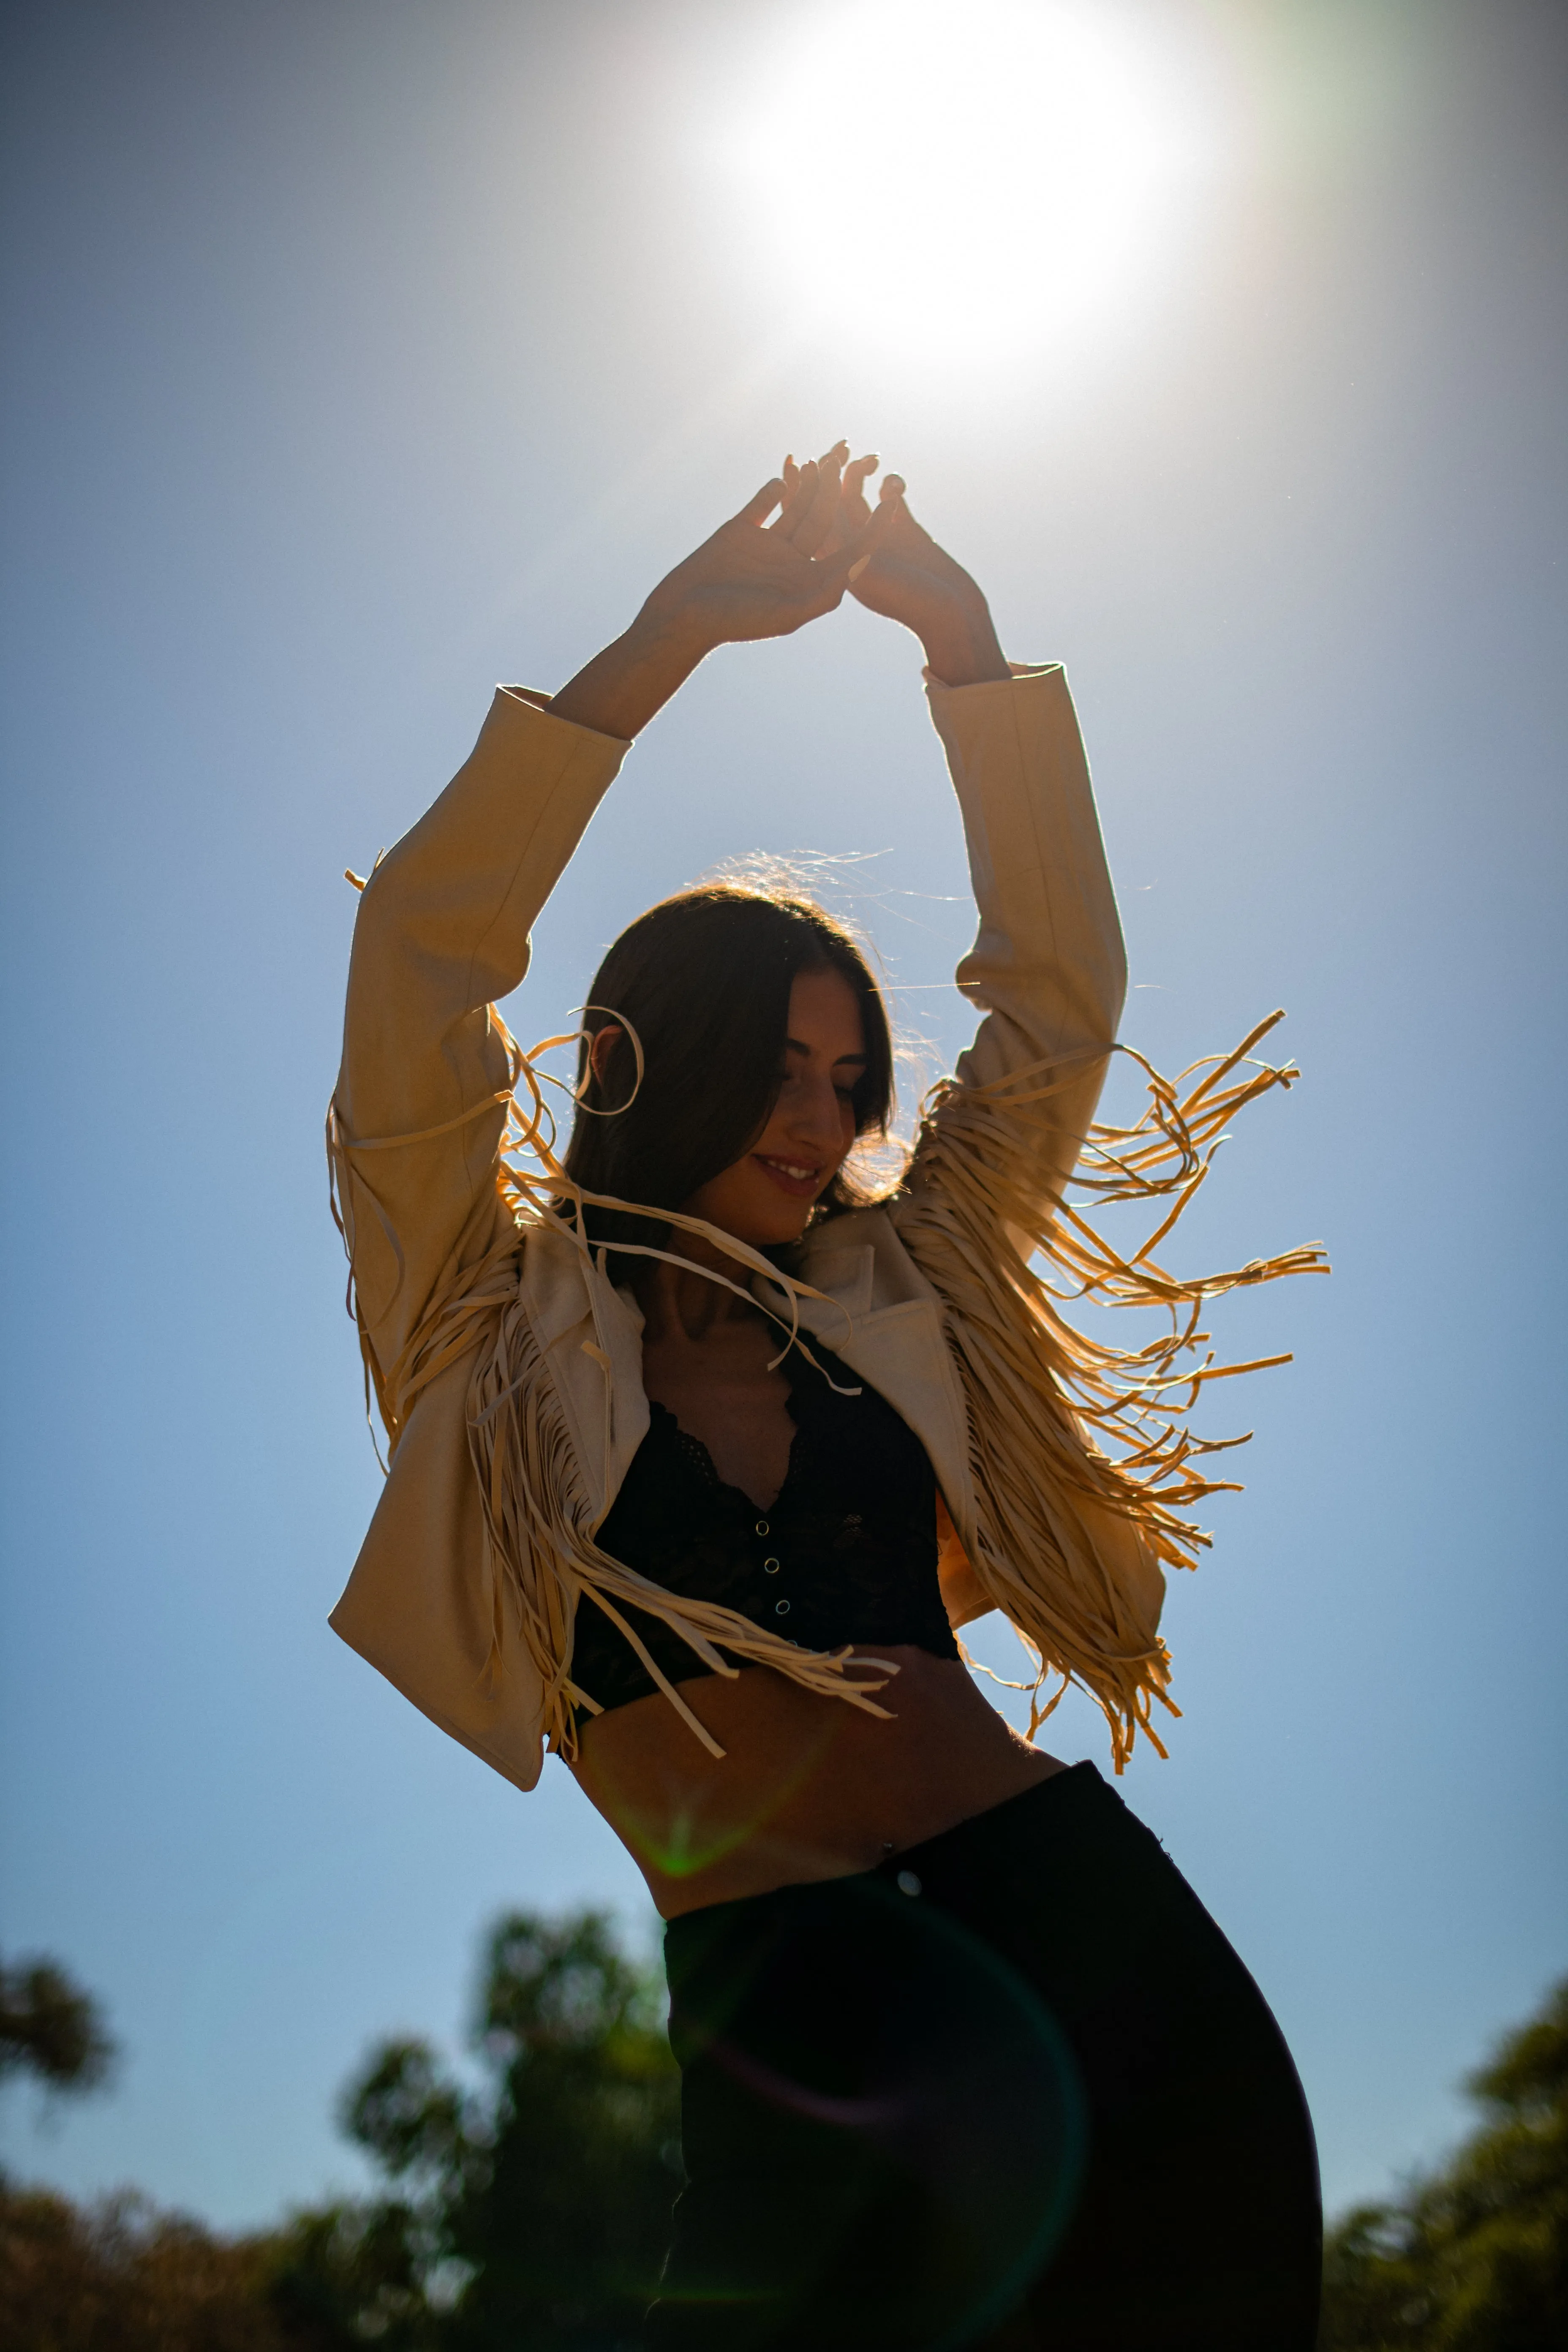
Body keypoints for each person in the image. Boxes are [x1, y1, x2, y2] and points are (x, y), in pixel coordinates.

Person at [327, 444, 1325, 2349]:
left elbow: (1055, 1003)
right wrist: (666, 640)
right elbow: (418, 957)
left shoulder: (907, 1279)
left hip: (1084, 1950)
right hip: (787, 2012)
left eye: (848, 1076)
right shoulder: (479, 1316)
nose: (825, 1119)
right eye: (777, 1069)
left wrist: (969, 654)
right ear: (652, 1063)